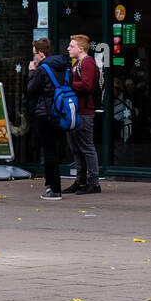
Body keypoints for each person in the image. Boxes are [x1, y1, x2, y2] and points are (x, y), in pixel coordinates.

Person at [26, 37, 68, 200]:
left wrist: (31, 72)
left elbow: (31, 90)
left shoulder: (43, 69)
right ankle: (51, 184)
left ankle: (54, 189)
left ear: (41, 54)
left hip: (46, 113)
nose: (34, 57)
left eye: (35, 54)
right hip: (60, 112)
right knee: (55, 149)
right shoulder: (63, 67)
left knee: (49, 152)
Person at [65, 34, 101, 195]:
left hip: (84, 111)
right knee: (76, 148)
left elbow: (87, 85)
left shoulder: (87, 63)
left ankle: (93, 182)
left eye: (71, 46)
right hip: (76, 110)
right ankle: (80, 181)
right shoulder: (78, 63)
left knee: (86, 146)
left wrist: (68, 84)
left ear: (81, 48)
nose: (68, 48)